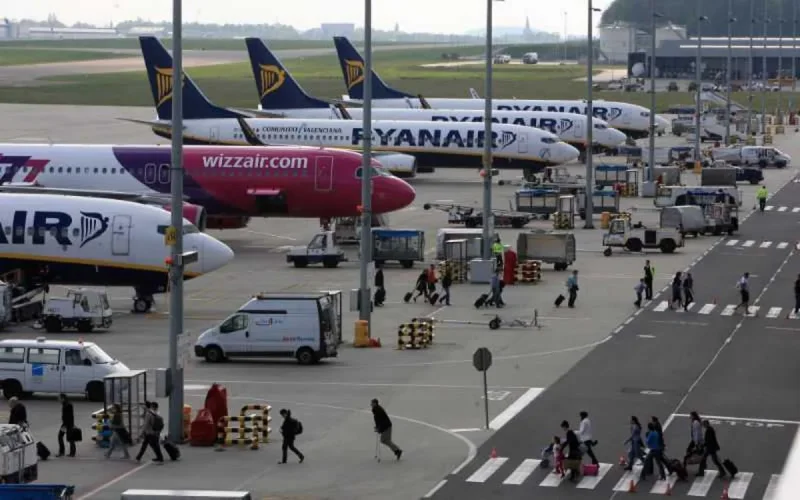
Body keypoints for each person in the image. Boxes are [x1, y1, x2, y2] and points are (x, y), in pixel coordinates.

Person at [57, 394, 76, 458]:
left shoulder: (67, 405)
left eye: (59, 398)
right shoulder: (66, 404)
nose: (58, 400)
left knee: (61, 437)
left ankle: (63, 452)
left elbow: (69, 416)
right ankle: (71, 452)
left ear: (63, 398)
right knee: (70, 438)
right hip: (67, 424)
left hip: (67, 424)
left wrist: (66, 425)